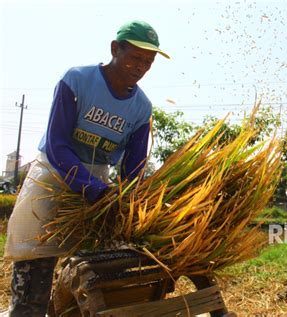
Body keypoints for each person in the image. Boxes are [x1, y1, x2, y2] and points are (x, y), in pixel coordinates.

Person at [3, 20, 169, 316]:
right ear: (115, 49)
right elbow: (57, 144)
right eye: (135, 57)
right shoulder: (77, 80)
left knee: (92, 276)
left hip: (98, 183)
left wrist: (126, 200)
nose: (141, 66)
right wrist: (92, 189)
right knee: (33, 280)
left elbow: (133, 167)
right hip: (53, 177)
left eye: (148, 61)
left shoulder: (141, 108)